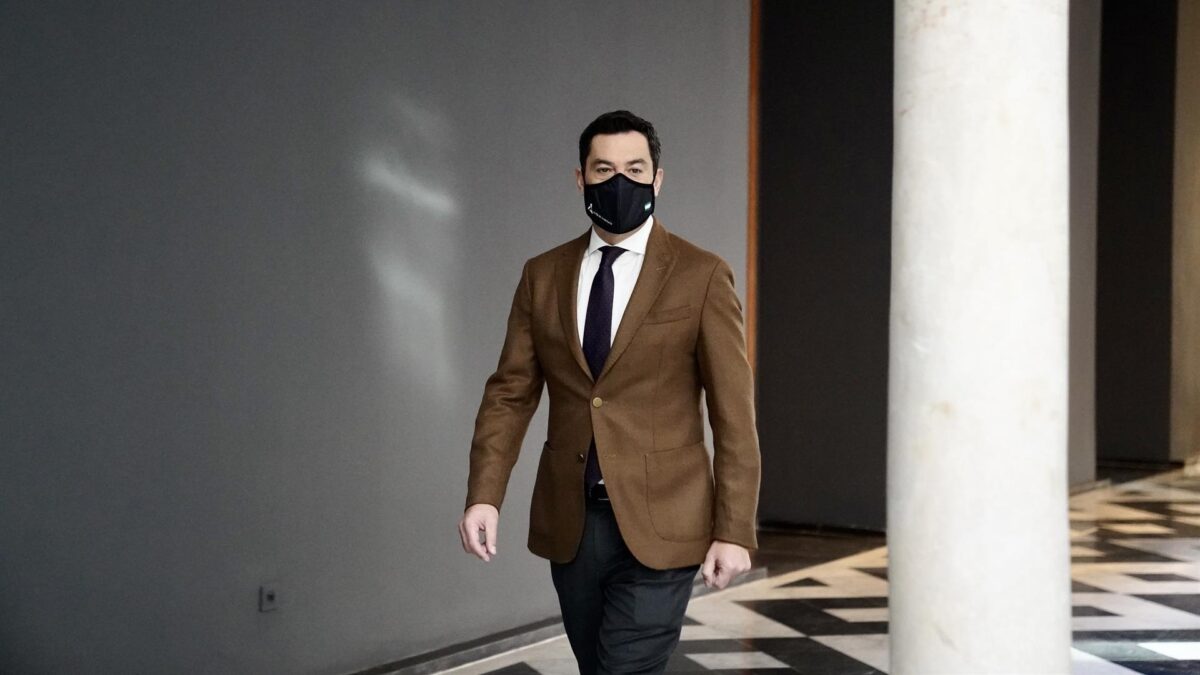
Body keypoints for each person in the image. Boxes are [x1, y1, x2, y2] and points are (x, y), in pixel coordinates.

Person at [457, 109, 761, 674]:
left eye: (635, 169)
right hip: (575, 524)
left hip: (667, 520)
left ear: (657, 179)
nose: (619, 182)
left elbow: (733, 414)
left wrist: (734, 528)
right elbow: (510, 394)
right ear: (581, 178)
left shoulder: (700, 275)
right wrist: (484, 495)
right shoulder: (542, 275)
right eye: (604, 170)